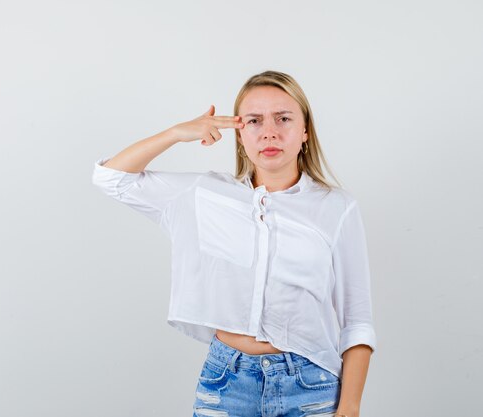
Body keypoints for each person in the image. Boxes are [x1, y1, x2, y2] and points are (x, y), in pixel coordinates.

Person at [91, 70, 376, 417]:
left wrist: (350, 408)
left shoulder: (337, 207)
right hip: (226, 384)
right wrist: (177, 133)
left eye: (283, 118)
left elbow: (357, 320)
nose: (269, 131)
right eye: (254, 120)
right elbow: (111, 178)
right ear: (240, 135)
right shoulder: (205, 195)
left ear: (304, 132)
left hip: (310, 385)